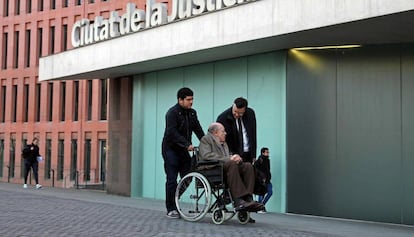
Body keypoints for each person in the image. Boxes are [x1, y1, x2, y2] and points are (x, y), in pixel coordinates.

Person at [198, 123, 263, 215]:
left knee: (248, 166)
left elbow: (227, 158)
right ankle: (238, 200)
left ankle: (248, 198)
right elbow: (206, 155)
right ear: (216, 132)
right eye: (223, 131)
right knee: (231, 163)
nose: (225, 133)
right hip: (212, 169)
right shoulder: (206, 139)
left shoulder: (224, 144)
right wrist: (229, 159)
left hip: (225, 168)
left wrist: (236, 159)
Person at [161, 87, 205, 218]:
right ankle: (171, 208)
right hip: (171, 149)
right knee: (172, 179)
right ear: (180, 100)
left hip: (184, 150)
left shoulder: (192, 113)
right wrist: (187, 144)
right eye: (188, 99)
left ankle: (175, 196)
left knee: (188, 176)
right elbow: (172, 132)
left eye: (192, 99)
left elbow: (198, 129)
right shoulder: (172, 113)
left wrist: (206, 143)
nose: (191, 102)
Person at [216, 97, 257, 163]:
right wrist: (230, 155)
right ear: (233, 105)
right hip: (233, 156)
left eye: (240, 113)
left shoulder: (250, 114)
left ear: (245, 110)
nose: (237, 115)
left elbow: (253, 134)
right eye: (235, 111)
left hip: (248, 153)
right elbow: (221, 140)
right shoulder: (223, 118)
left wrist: (254, 155)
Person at [254, 147, 273, 213]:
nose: (268, 153)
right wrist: (260, 178)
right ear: (263, 153)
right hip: (261, 180)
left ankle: (262, 205)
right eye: (266, 152)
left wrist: (268, 177)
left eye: (268, 152)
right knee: (261, 193)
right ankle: (259, 208)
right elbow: (256, 170)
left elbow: (267, 170)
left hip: (267, 180)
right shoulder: (259, 161)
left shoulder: (267, 160)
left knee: (270, 192)